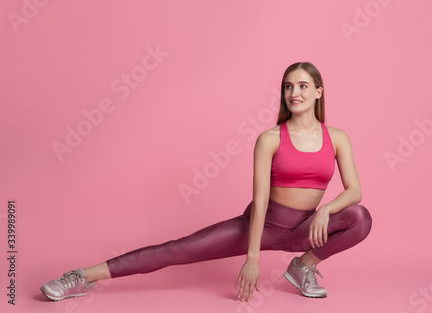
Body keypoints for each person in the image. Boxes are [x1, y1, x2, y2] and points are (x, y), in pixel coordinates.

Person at [40, 62, 372, 302]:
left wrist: (328, 208)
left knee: (360, 217)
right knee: (175, 250)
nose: (294, 92)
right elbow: (259, 201)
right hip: (263, 224)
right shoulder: (270, 138)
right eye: (288, 86)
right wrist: (253, 258)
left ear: (318, 92)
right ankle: (82, 277)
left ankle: (302, 268)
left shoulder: (337, 138)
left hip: (306, 229)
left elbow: (354, 190)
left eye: (302, 86)